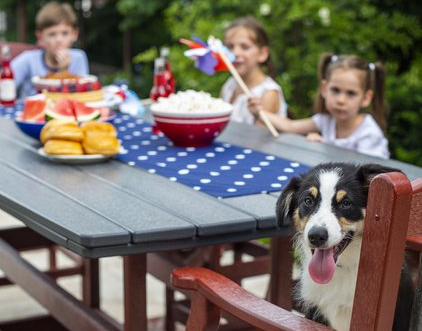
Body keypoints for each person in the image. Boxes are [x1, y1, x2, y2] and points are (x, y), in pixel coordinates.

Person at [249, 53, 390, 159]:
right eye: (335, 90)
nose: (341, 100)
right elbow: (290, 126)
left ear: (366, 98)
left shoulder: (368, 133)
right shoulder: (326, 120)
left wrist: (324, 148)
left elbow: (369, 175)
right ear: (324, 89)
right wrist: (260, 112)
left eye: (351, 94)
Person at [11, 1, 89, 100]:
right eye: (52, 34)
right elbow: (5, 84)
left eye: (65, 33)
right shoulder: (28, 59)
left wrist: (64, 71)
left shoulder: (79, 57)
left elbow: (80, 96)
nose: (59, 40)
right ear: (40, 37)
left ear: (74, 34)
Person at [221, 16, 287, 126]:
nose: (235, 53)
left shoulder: (268, 93)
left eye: (245, 47)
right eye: (230, 47)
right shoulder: (230, 85)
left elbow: (258, 139)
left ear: (262, 54)